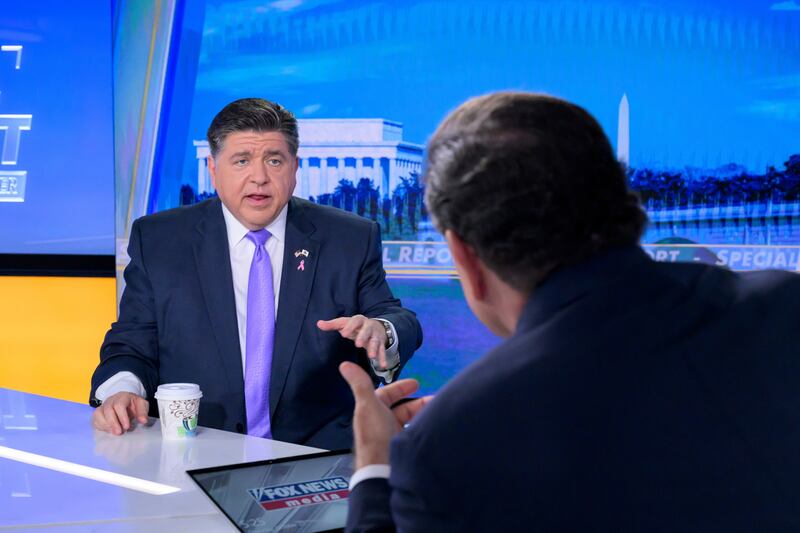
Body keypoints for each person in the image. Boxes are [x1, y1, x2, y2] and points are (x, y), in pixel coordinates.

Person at [341, 92, 800, 531]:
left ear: (464, 257)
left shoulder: (447, 450)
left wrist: (377, 468)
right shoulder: (786, 305)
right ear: (620, 204)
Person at [90, 98, 422, 450]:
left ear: (294, 168)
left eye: (274, 160)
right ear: (214, 169)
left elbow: (397, 317)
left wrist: (381, 332)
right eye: (242, 160)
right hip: (193, 453)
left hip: (315, 457)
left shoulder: (349, 238)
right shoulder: (160, 240)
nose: (259, 177)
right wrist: (122, 390)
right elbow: (131, 343)